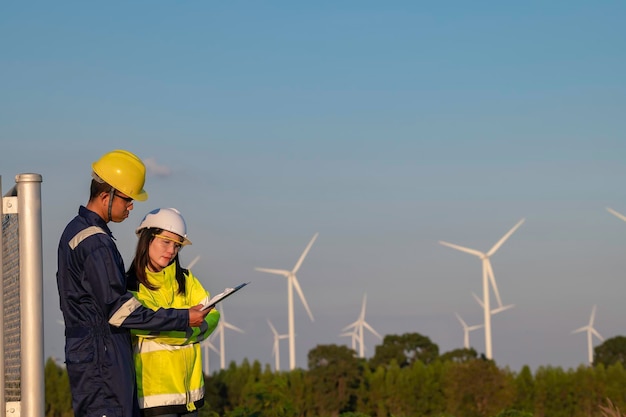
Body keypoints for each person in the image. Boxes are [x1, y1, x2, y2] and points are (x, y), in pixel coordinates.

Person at [56, 149, 211, 417]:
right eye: (128, 199)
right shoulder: (96, 243)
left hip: (93, 357)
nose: (131, 207)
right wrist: (183, 318)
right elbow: (120, 312)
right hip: (102, 361)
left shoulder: (76, 231)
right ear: (107, 195)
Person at [126, 208, 220, 417]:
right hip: (155, 398)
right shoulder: (131, 286)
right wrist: (189, 327)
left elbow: (212, 315)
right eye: (166, 242)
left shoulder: (186, 279)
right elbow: (146, 326)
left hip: (191, 398)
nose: (172, 250)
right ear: (147, 239)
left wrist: (181, 328)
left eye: (177, 245)